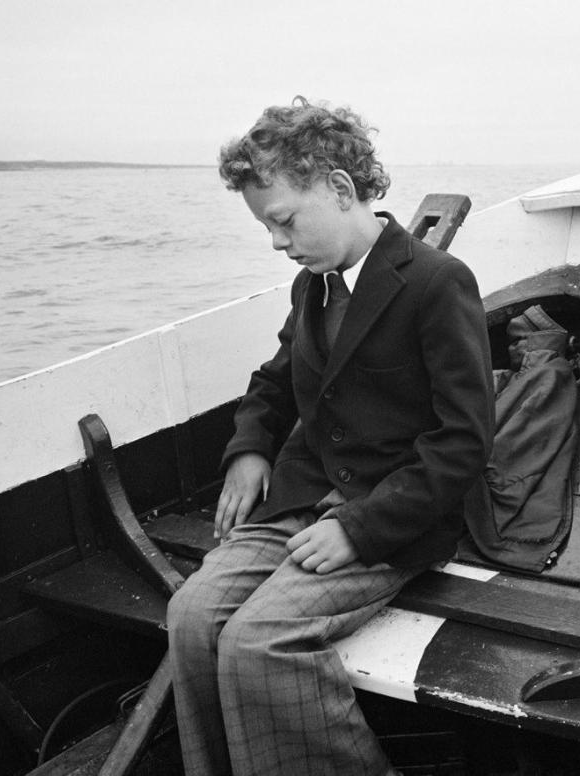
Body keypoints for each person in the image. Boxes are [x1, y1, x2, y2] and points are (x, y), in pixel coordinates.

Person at [165, 97, 494, 776]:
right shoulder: (310, 287)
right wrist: (249, 449)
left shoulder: (436, 284)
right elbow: (274, 382)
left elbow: (462, 441)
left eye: (283, 221)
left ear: (341, 190)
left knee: (259, 642)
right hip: (301, 496)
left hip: (389, 516)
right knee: (192, 614)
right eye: (267, 229)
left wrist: (358, 529)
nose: (278, 242)